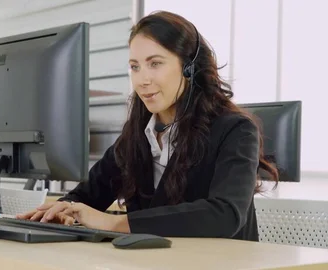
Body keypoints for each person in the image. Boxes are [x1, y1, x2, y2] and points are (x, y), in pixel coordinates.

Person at [16, 10, 279, 241]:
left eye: (155, 64)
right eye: (135, 67)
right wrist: (60, 210)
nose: (142, 80)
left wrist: (115, 223)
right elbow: (88, 195)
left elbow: (225, 214)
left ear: (188, 68)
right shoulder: (137, 136)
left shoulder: (235, 130)